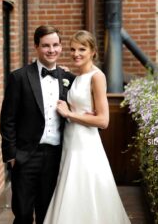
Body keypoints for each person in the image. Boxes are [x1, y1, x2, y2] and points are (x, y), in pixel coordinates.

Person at [43, 30, 131, 224]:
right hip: (70, 140)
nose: (76, 53)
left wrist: (69, 114)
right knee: (70, 186)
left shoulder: (97, 77)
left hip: (85, 143)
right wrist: (63, 72)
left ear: (93, 51)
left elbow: (103, 121)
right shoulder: (76, 77)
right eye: (73, 49)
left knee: (83, 185)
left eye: (82, 49)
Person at [0, 25, 75, 224]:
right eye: (46, 46)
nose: (52, 50)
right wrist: (11, 155)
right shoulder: (19, 77)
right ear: (36, 47)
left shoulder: (68, 79)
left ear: (60, 47)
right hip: (25, 155)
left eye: (56, 45)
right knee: (23, 213)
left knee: (47, 212)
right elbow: (8, 119)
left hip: (56, 156)